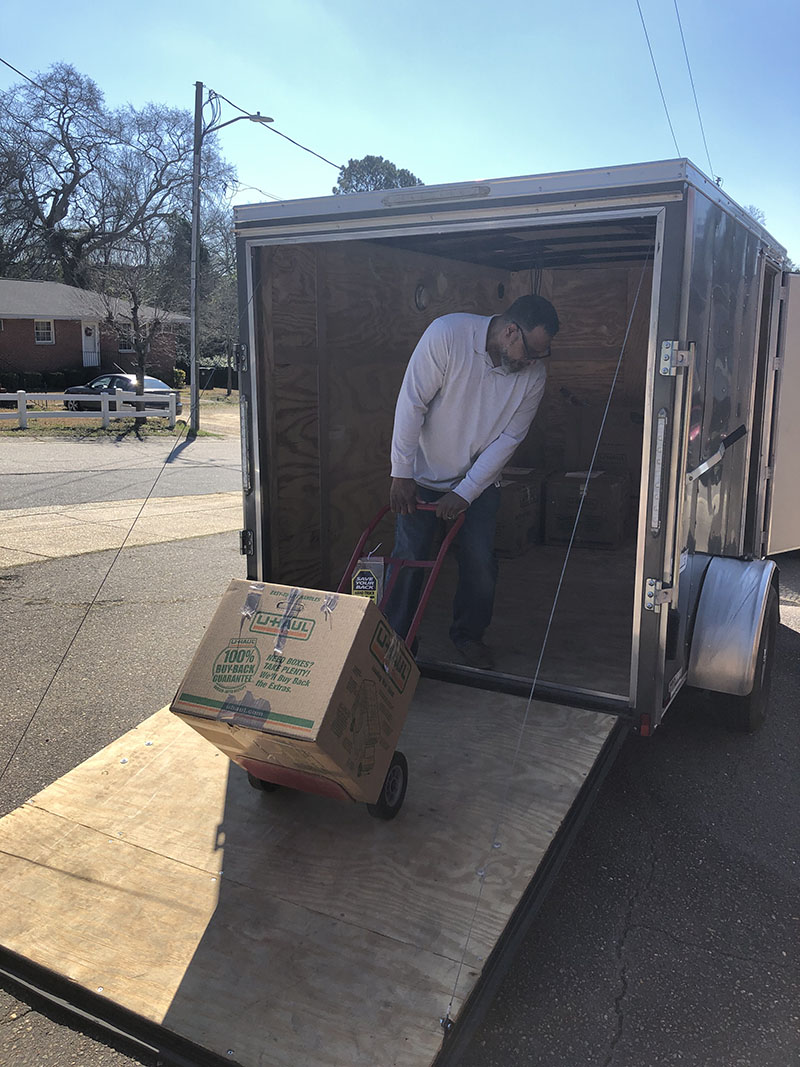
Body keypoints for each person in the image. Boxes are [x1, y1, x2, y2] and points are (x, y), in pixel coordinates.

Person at [386, 294, 560, 669]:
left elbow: (509, 439)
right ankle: (396, 640)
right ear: (510, 331)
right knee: (409, 558)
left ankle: (468, 635)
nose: (533, 362)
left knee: (480, 563)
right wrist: (401, 472)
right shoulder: (448, 335)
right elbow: (412, 402)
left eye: (542, 355)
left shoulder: (533, 377)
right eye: (532, 352)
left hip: (477, 482)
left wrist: (465, 492)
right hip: (422, 476)